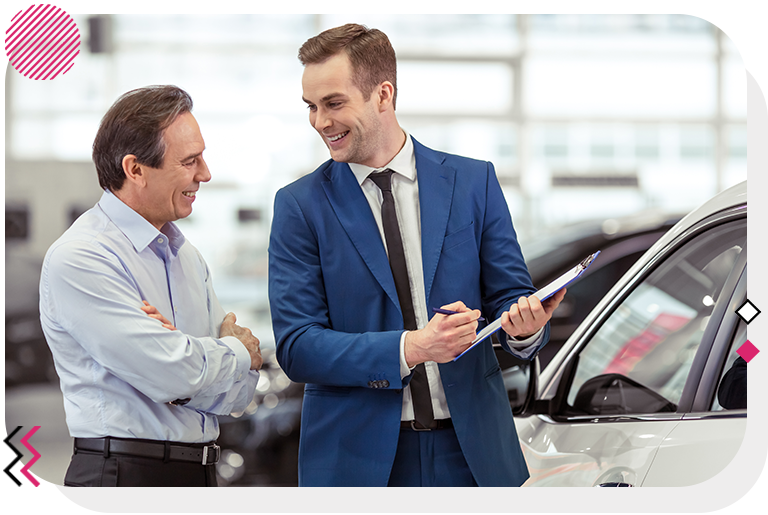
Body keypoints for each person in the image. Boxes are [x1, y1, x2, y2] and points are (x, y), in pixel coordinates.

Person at [268, 24, 565, 487]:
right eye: (311, 106)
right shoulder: (300, 206)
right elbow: (297, 345)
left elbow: (512, 297)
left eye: (333, 103)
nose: (319, 121)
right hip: (357, 460)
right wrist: (412, 348)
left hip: (472, 453)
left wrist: (525, 329)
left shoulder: (473, 183)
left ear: (382, 95)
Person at [39, 85, 262, 487]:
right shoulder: (83, 256)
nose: (205, 174)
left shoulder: (187, 256)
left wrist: (185, 361)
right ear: (135, 169)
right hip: (123, 476)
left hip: (200, 474)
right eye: (190, 161)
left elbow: (237, 396)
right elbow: (173, 373)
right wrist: (233, 352)